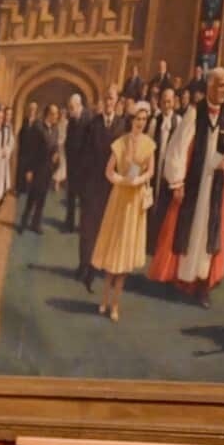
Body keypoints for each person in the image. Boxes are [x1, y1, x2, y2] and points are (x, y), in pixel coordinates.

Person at [148, 67, 224, 308]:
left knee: (208, 234)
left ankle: (202, 285)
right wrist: (177, 182)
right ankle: (181, 279)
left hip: (215, 188)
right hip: (193, 185)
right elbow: (178, 147)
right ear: (209, 86)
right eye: (219, 85)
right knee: (186, 230)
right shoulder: (194, 112)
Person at [91, 101, 156, 321]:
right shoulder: (120, 143)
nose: (141, 123)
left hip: (135, 200)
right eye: (138, 119)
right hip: (119, 198)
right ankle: (104, 299)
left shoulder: (149, 144)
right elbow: (109, 171)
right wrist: (121, 180)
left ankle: (116, 305)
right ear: (131, 120)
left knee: (126, 254)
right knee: (114, 249)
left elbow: (151, 171)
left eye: (144, 120)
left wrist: (139, 179)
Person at [78, 85, 125, 291]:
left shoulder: (122, 125)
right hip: (92, 186)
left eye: (112, 98)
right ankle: (84, 266)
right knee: (88, 229)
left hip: (112, 188)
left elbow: (128, 155)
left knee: (108, 230)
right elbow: (83, 155)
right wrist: (83, 186)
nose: (108, 102)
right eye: (106, 98)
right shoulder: (92, 124)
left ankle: (100, 268)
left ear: (117, 101)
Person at [17, 103, 62, 233]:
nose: (56, 116)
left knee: (42, 198)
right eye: (54, 114)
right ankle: (23, 222)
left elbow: (55, 146)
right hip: (37, 168)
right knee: (32, 197)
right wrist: (29, 170)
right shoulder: (37, 127)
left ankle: (35, 224)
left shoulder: (55, 129)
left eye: (57, 114)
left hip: (48, 169)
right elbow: (31, 150)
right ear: (48, 114)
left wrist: (56, 155)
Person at [147, 88, 182, 253]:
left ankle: (163, 246)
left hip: (170, 171)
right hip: (156, 168)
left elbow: (181, 149)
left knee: (166, 206)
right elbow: (147, 146)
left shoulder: (179, 121)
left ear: (174, 102)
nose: (166, 105)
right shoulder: (155, 121)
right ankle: (150, 243)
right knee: (153, 204)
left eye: (169, 101)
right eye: (164, 101)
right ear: (160, 103)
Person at [63, 92, 90, 233]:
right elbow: (68, 142)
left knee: (84, 198)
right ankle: (69, 224)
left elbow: (90, 144)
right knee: (71, 195)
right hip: (72, 165)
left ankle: (84, 226)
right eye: (69, 107)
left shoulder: (89, 118)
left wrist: (84, 164)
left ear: (79, 105)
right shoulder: (72, 120)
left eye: (71, 107)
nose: (69, 110)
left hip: (84, 166)